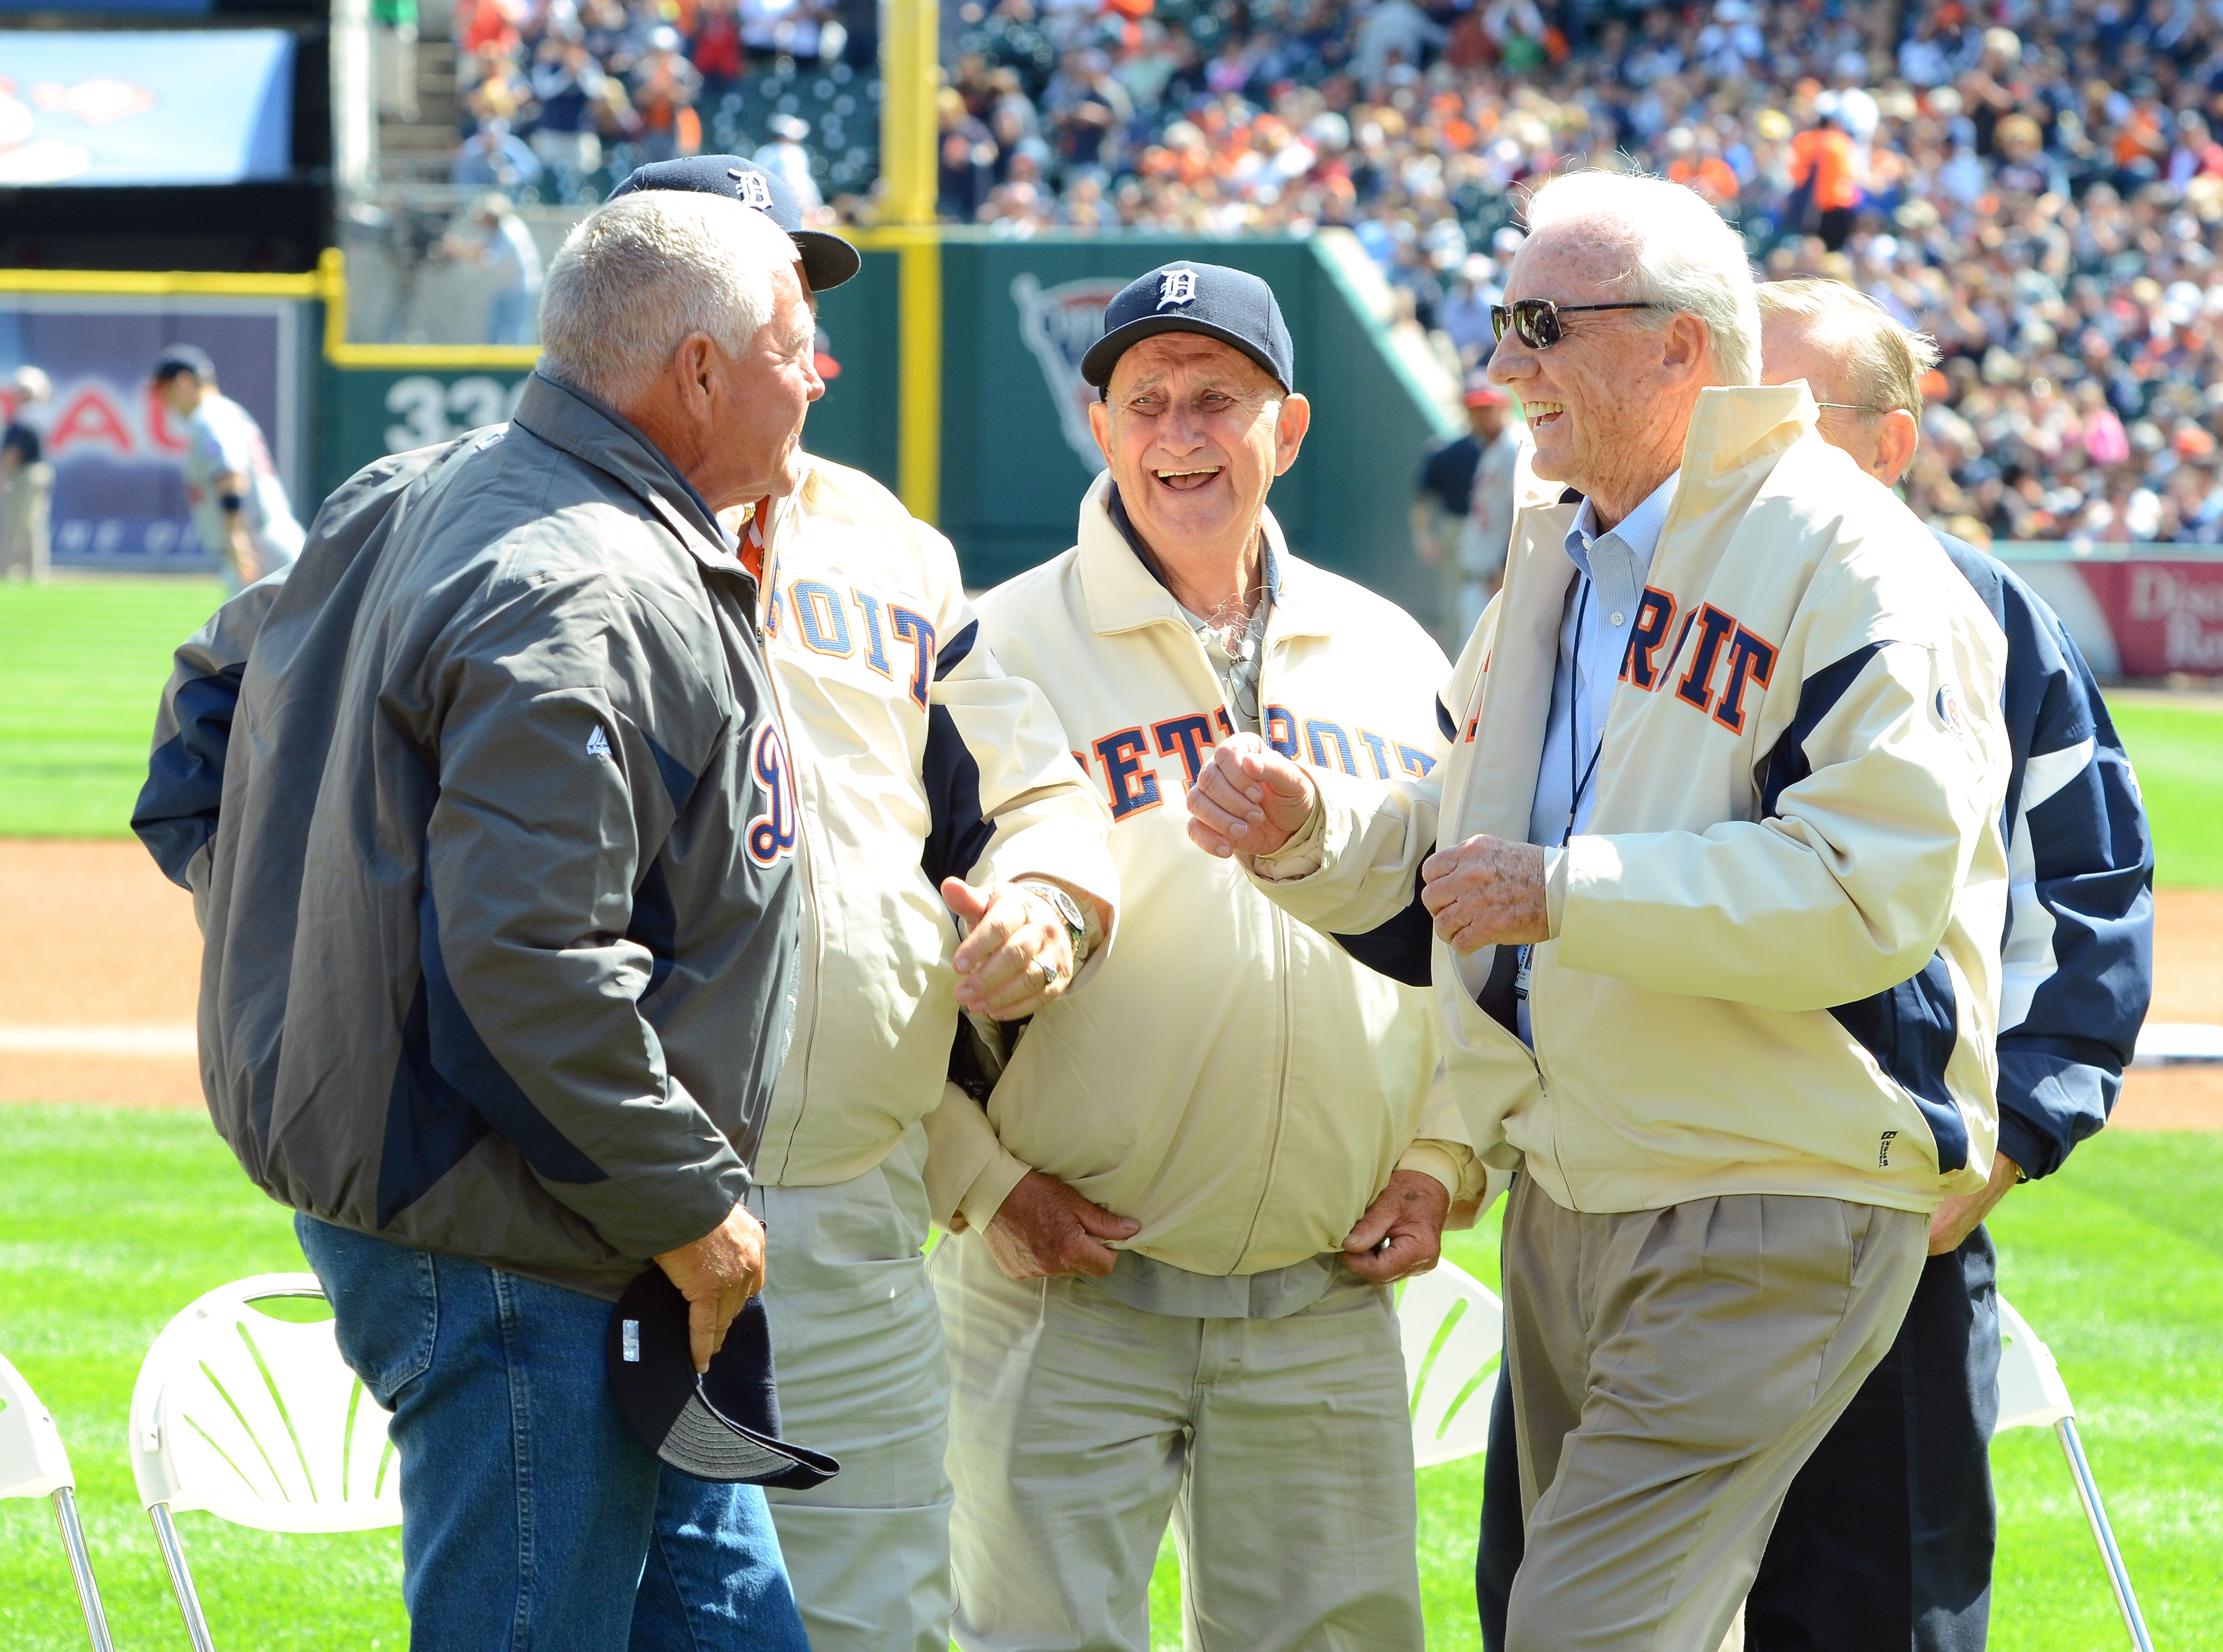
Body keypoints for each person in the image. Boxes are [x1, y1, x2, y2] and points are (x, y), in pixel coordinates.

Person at [1186, 171, 2013, 1651]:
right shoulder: (1563, 548)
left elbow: (1867, 888)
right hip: (1574, 1186)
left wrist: (1569, 893)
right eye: (1503, 322)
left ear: (1679, 350)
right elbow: (1464, 851)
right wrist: (1311, 837)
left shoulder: (1846, 553)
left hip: (1769, 1184)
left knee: (1580, 1632)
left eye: (1540, 324)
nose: (1505, 366)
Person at [128, 186, 868, 1651]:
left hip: (568, 1231)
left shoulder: (416, 491)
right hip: (527, 1244)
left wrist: (335, 948)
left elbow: (199, 723)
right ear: (699, 372)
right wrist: (694, 1214)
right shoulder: (586, 580)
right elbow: (524, 961)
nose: (821, 370)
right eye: (796, 340)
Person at [928, 261, 1482, 1652]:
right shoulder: (990, 647)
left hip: (1321, 1294)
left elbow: (1471, 936)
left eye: (1218, 401)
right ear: (1099, 424)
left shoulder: (1388, 649)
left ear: (1284, 430)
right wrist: (981, 1182)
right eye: (1147, 400)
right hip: (1065, 1283)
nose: (1181, 434)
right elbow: (882, 952)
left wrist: (1445, 1160)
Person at [604, 156, 1119, 1652]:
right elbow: (234, 762)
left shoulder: (887, 545)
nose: (808, 350)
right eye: (771, 308)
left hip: (843, 1203)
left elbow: (1039, 788)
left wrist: (1045, 900)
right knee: (595, 1607)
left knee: (877, 1617)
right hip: (598, 1209)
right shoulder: (517, 524)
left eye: (807, 301)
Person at [1739, 279, 2156, 1652]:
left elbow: (2084, 892)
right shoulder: (1629, 593)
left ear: (1888, 445)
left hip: (1900, 1219)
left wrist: (2013, 1141)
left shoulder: (1984, 614)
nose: (1740, 443)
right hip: (1654, 1206)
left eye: (1786, 415)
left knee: (1882, 1614)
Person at [149, 346, 304, 595]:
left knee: (250, 634)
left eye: (164, 389)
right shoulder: (226, 411)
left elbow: (230, 474)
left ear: (184, 382)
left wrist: (236, 537)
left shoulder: (208, 418)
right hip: (269, 538)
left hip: (258, 544)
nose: (164, 400)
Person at [1412, 371, 1521, 650]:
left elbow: (1526, 510)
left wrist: (1504, 566)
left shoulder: (1514, 447)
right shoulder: (1488, 449)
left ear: (1503, 405)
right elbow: (1423, 497)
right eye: (1474, 409)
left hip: (1493, 580)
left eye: (1487, 408)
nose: (1480, 416)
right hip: (1477, 575)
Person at [443, 192, 546, 345]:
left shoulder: (508, 232)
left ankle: (519, 368)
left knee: (517, 333)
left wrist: (458, 251)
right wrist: (460, 247)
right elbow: (483, 247)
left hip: (520, 287)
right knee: (496, 332)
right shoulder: (504, 227)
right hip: (509, 285)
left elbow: (485, 262)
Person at [1, 365, 53, 584]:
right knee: (29, 524)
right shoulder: (33, 415)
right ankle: (32, 572)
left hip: (26, 475)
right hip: (33, 473)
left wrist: (3, 477)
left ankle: (13, 570)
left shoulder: (26, 418)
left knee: (17, 523)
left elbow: (13, 454)